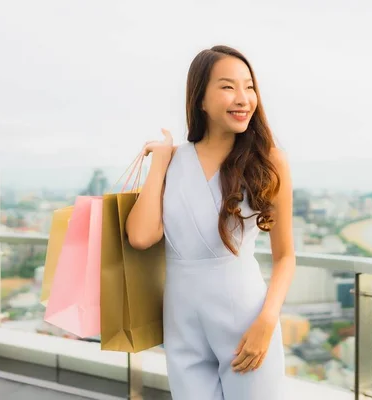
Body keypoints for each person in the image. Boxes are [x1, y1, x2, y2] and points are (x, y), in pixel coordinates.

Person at [125, 45, 296, 400]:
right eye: (228, 86)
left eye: (249, 87)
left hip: (247, 320)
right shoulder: (173, 162)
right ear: (200, 98)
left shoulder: (269, 161)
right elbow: (141, 237)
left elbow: (285, 256)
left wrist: (266, 322)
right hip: (182, 324)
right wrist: (160, 160)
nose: (243, 98)